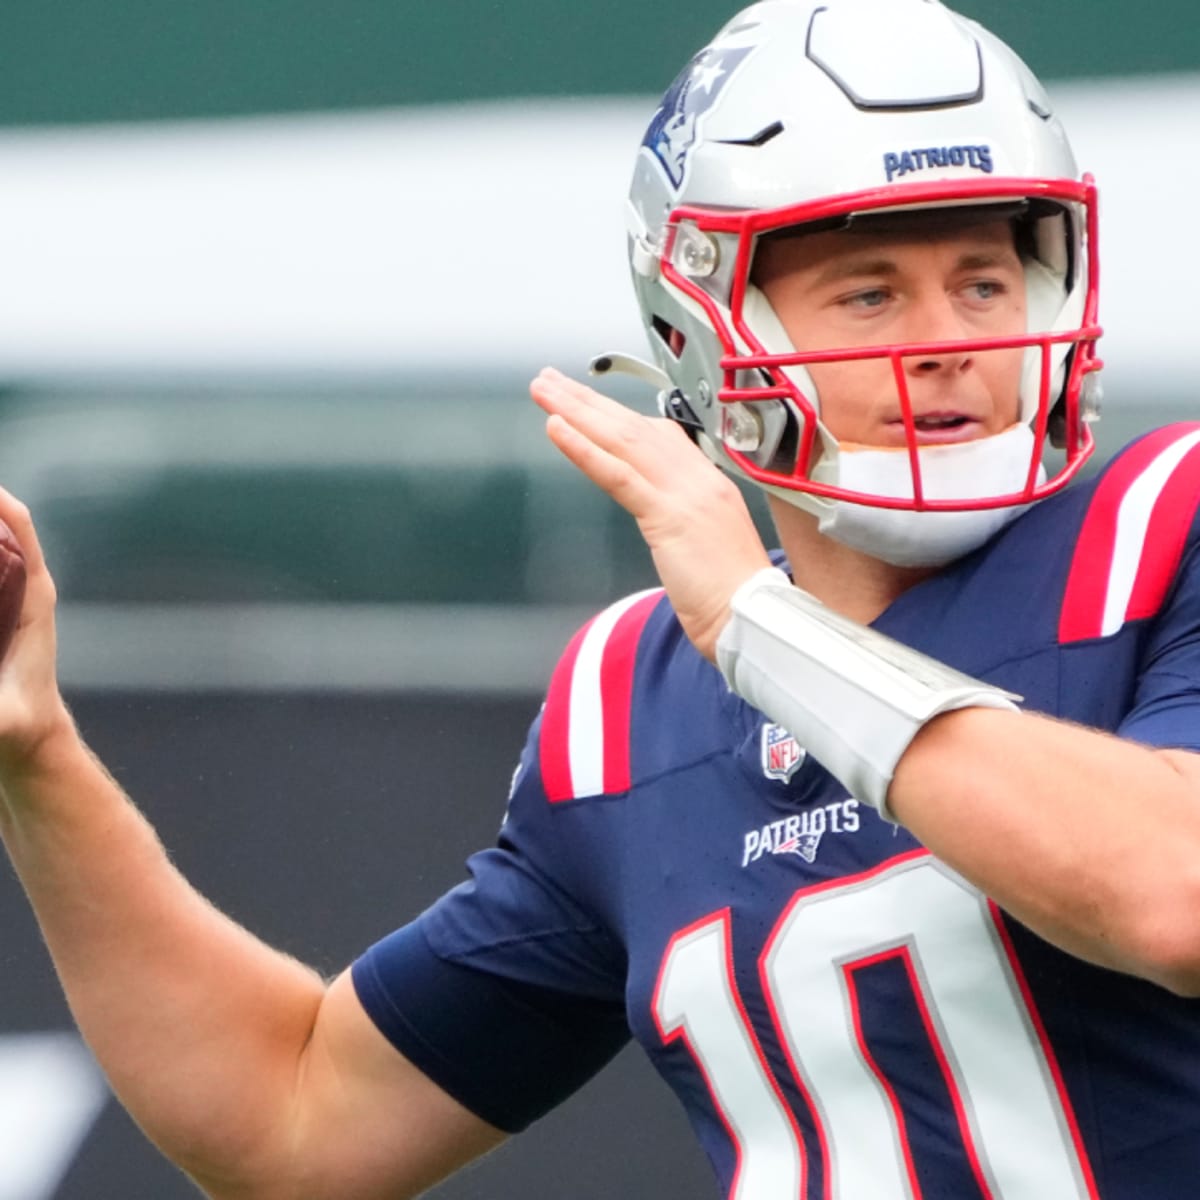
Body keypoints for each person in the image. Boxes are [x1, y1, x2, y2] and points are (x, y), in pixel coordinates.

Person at [3, 0, 1200, 1196]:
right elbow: (295, 1121)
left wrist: (764, 631)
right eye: (870, 294)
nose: (948, 340)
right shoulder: (636, 704)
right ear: (707, 329)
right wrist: (37, 755)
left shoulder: (1163, 522)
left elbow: (1173, 892)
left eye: (986, 282)